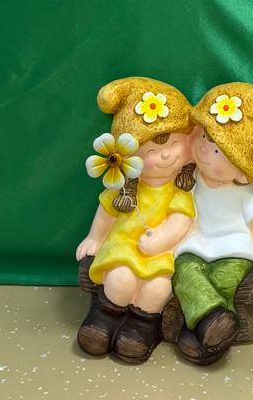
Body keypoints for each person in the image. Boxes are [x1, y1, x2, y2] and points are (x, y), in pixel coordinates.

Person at [76, 79, 195, 364]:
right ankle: (103, 320)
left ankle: (141, 329)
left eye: (174, 144)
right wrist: (94, 238)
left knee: (158, 288)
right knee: (120, 278)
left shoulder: (178, 191)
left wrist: (161, 240)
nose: (165, 155)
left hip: (159, 255)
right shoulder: (126, 189)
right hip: (123, 245)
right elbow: (107, 211)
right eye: (150, 151)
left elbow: (181, 221)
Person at [171, 78, 253, 364]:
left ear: (243, 170)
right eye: (204, 137)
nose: (205, 149)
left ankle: (200, 329)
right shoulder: (190, 178)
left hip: (235, 248)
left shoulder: (244, 191)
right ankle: (214, 323)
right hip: (195, 243)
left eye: (218, 150)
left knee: (224, 280)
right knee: (184, 272)